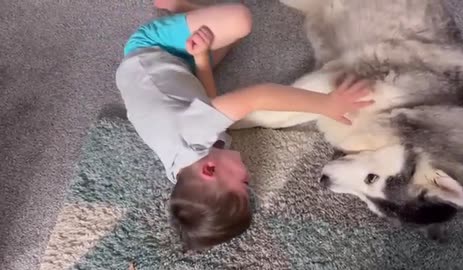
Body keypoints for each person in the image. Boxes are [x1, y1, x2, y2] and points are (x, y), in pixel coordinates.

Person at [115, 0, 373, 250]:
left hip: (150, 49)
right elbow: (209, 103)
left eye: (242, 183)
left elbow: (258, 95)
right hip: (180, 74)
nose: (248, 176)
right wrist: (202, 58)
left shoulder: (194, 134)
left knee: (240, 19)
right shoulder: (186, 168)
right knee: (227, 40)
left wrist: (326, 104)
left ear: (210, 170)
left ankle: (181, 6)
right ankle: (185, 16)